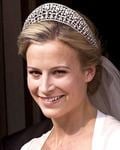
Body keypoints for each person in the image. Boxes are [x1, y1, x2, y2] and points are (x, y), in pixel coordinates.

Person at [17, 2, 120, 150]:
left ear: (89, 72)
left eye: (59, 72)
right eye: (35, 73)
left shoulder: (114, 141)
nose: (45, 88)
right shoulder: (29, 147)